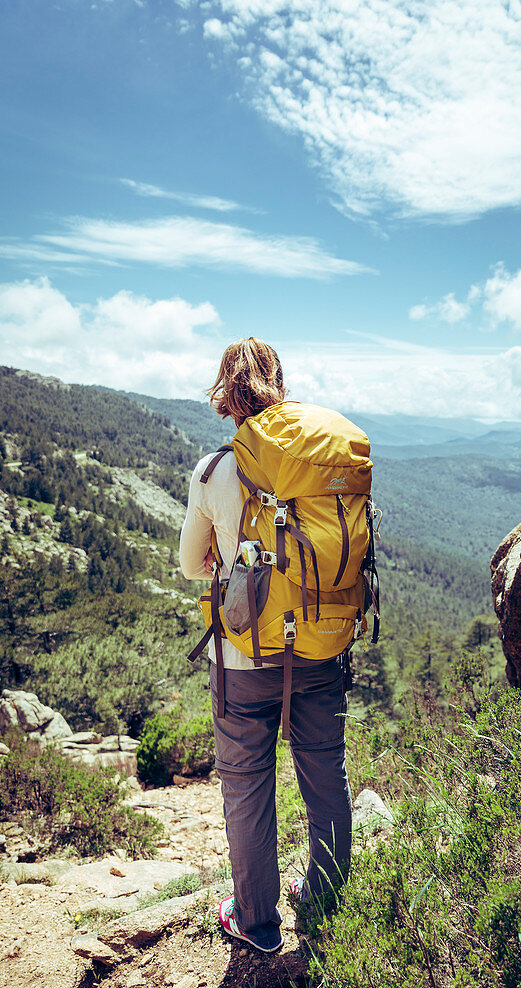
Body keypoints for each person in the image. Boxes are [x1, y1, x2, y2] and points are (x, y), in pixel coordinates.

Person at [179, 337, 352, 953]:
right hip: (320, 645)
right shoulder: (319, 463)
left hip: (244, 657)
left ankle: (256, 923)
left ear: (225, 395)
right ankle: (327, 902)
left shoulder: (213, 470)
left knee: (248, 784)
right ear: (279, 381)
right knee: (324, 774)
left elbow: (191, 568)